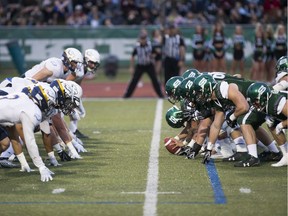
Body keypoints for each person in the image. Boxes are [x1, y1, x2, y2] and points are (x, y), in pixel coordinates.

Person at [246, 82, 287, 167]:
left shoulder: (277, 102)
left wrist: (282, 124)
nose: (254, 104)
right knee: (271, 124)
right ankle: (286, 155)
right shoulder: (266, 103)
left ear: (264, 96)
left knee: (278, 126)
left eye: (256, 100)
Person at [68, 48, 101, 139]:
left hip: (65, 87)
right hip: (54, 86)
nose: (93, 65)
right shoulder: (79, 69)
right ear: (86, 60)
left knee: (75, 109)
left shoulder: (83, 69)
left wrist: (77, 96)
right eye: (92, 62)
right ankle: (62, 133)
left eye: (95, 63)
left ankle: (73, 130)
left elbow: (78, 83)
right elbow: (64, 82)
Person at [123, 31, 163, 98]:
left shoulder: (150, 45)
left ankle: (160, 95)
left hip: (149, 65)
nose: (143, 40)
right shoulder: (137, 46)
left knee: (155, 80)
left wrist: (154, 56)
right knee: (134, 80)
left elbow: (158, 55)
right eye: (142, 39)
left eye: (144, 38)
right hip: (140, 65)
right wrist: (131, 67)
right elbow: (132, 56)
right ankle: (127, 95)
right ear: (139, 39)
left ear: (146, 39)